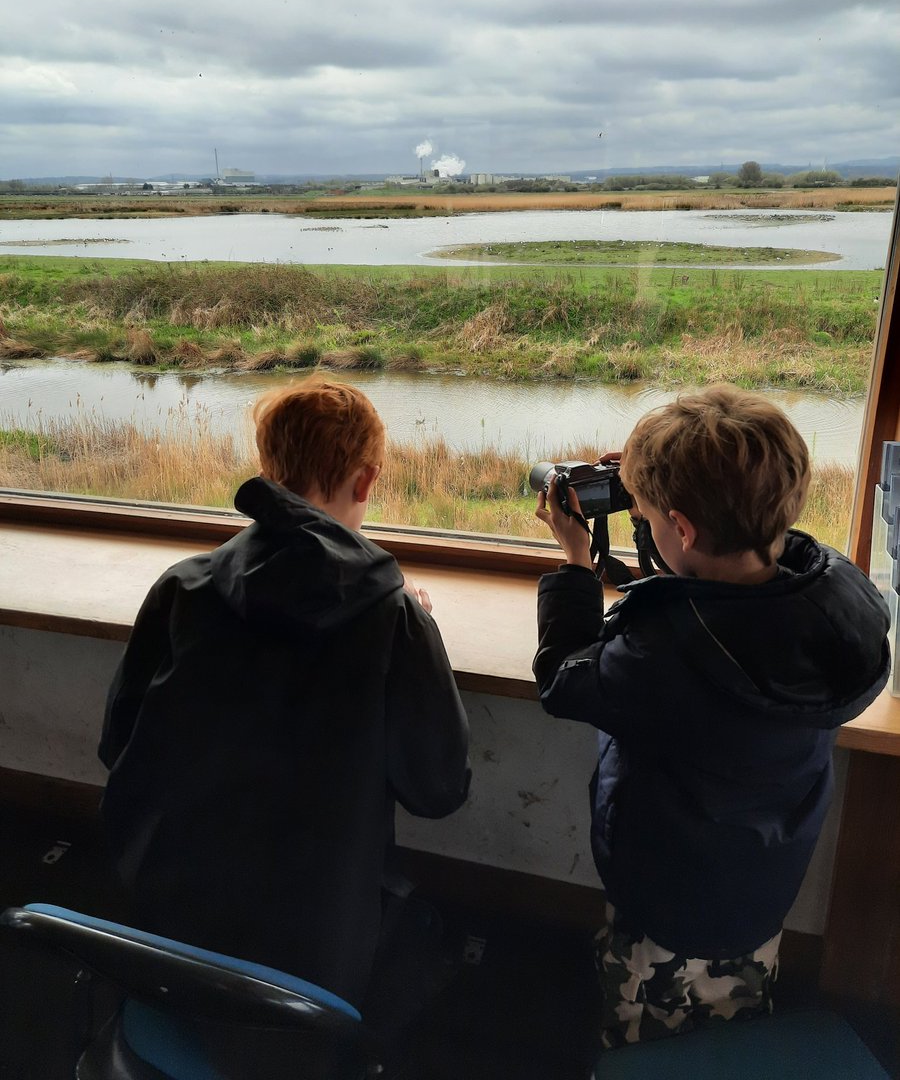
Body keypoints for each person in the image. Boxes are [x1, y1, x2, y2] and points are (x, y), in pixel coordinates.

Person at [99, 377, 471, 1015]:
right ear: (366, 482)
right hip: (311, 963)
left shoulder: (183, 590)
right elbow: (438, 791)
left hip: (163, 934)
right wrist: (420, 623)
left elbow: (117, 748)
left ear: (269, 470)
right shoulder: (392, 620)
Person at [533, 384, 889, 1049]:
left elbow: (564, 682)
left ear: (685, 528)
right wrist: (661, 507)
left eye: (653, 514)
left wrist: (576, 563)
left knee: (646, 1036)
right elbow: (717, 558)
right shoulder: (837, 599)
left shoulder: (668, 656)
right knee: (733, 1017)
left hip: (666, 898)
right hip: (761, 885)